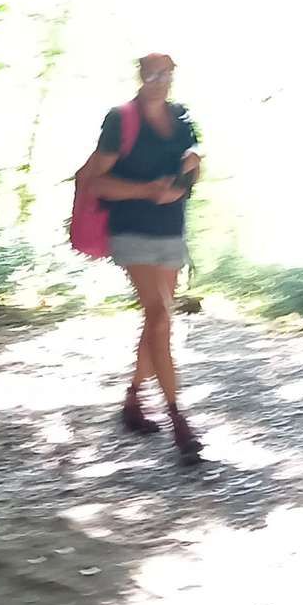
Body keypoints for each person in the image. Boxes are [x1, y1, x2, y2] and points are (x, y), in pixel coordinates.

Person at [76, 52, 204, 461]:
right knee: (160, 315)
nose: (159, 80)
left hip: (170, 230)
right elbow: (96, 183)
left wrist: (187, 175)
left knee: (158, 320)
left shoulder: (181, 117)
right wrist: (147, 191)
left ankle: (133, 400)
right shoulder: (121, 120)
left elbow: (194, 166)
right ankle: (178, 419)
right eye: (152, 73)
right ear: (140, 75)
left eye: (166, 73)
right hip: (131, 230)